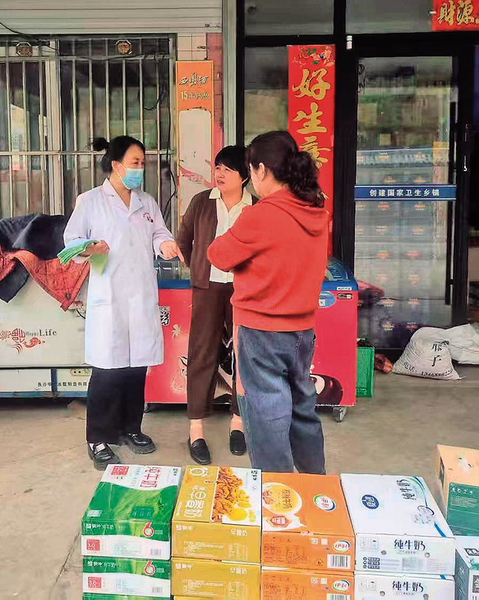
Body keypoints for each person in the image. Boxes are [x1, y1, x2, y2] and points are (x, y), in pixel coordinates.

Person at [208, 131, 328, 473]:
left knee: (266, 416)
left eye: (251, 170)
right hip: (302, 330)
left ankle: (277, 493)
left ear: (261, 170)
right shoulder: (315, 210)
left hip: (262, 331)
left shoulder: (261, 215)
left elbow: (218, 255)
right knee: (303, 410)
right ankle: (315, 485)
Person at [64, 136, 183, 470]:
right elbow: (71, 242)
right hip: (110, 299)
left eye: (142, 163)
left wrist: (165, 245)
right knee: (107, 372)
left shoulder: (147, 202)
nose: (140, 169)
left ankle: (131, 428)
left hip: (141, 297)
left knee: (135, 369)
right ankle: (98, 439)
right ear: (116, 165)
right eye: (134, 163)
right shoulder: (90, 201)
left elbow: (159, 233)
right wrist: (88, 247)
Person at [176, 146, 253, 465]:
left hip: (244, 290)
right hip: (207, 288)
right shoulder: (201, 202)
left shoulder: (256, 207)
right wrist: (197, 268)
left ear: (245, 176)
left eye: (227, 169)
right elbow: (183, 240)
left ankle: (238, 422)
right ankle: (196, 429)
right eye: (218, 167)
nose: (219, 174)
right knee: (201, 353)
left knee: (245, 353)